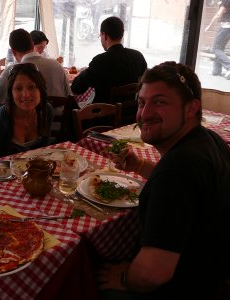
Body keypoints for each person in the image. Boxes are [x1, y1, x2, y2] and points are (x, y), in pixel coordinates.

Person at [96, 61, 230, 299]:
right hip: (212, 276)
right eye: (142, 102)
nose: (144, 114)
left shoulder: (177, 171)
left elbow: (151, 274)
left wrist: (125, 278)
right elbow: (187, 190)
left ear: (191, 109)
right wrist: (139, 166)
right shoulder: (209, 140)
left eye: (159, 102)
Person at [0, 28, 71, 107]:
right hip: (59, 123)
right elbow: (68, 94)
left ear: (13, 51)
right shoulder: (56, 65)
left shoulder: (14, 70)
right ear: (33, 45)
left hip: (27, 123)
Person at [71, 16, 147, 104]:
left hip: (103, 115)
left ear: (105, 35)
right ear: (121, 35)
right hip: (131, 113)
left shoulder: (100, 61)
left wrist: (85, 72)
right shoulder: (138, 56)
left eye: (100, 36)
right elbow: (144, 82)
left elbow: (76, 88)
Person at [0, 63, 53, 159]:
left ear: (41, 90)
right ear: (11, 93)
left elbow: (43, 152)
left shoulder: (46, 111)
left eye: (31, 87)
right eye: (18, 88)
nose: (25, 95)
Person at [205, 0, 230, 79]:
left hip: (225, 27)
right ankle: (216, 71)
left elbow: (219, 14)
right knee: (220, 49)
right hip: (227, 28)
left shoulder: (226, 1)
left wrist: (209, 25)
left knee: (215, 48)